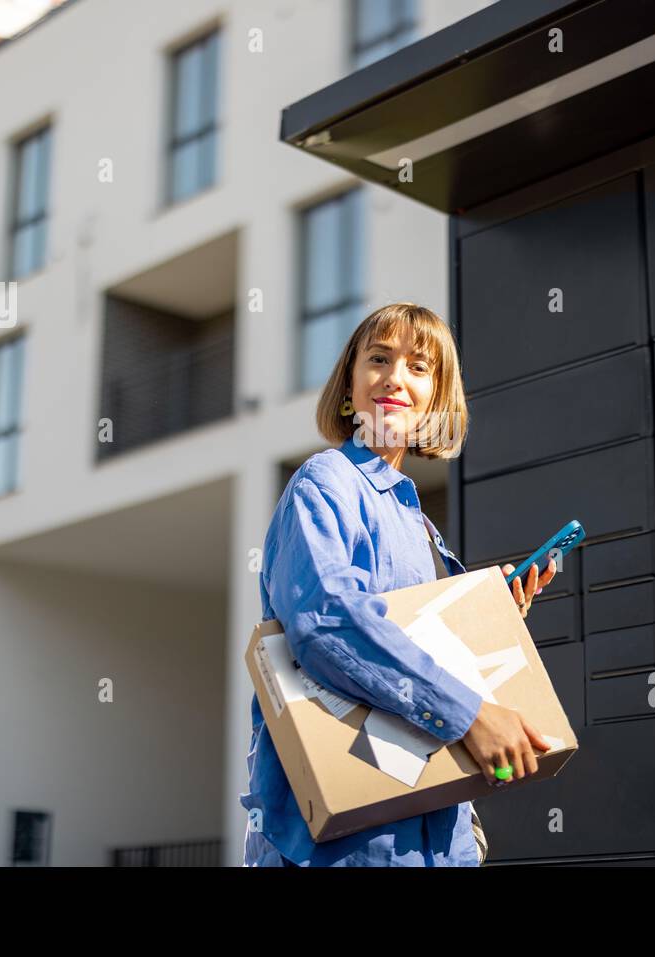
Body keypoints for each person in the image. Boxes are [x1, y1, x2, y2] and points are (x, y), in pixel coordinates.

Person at [239, 302, 558, 867]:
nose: (394, 378)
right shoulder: (326, 482)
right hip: (342, 846)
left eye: (418, 367)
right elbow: (328, 625)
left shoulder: (421, 524)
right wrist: (468, 714)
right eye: (379, 360)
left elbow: (420, 639)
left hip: (439, 836)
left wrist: (492, 617)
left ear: (436, 400)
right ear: (348, 389)